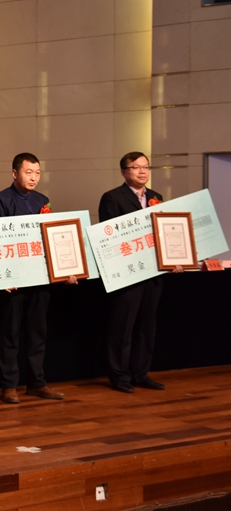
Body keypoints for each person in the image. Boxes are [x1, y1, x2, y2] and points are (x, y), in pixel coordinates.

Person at [0, 153, 69, 404]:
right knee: (10, 333)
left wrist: (66, 267)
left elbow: (52, 238)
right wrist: (2, 277)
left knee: (37, 332)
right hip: (14, 280)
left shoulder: (43, 200)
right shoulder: (0, 200)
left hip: (40, 278)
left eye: (37, 173)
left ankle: (37, 383)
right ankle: (9, 385)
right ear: (15, 174)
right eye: (28, 172)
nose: (33, 177)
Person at [99, 151, 180, 393]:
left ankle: (141, 373)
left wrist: (175, 257)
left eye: (146, 167)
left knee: (147, 326)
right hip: (128, 274)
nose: (143, 171)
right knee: (123, 327)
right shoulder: (112, 198)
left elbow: (164, 232)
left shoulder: (156, 197)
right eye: (136, 167)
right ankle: (119, 375)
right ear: (124, 172)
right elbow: (109, 236)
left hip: (153, 273)